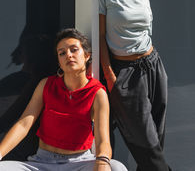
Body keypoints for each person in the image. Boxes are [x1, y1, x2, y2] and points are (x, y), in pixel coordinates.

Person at [0, 28, 127, 171]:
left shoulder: (97, 92)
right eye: (62, 53)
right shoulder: (46, 85)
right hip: (41, 163)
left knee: (117, 167)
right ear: (59, 62)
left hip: (79, 163)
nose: (68, 55)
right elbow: (23, 125)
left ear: (86, 56)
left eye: (74, 50)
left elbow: (103, 138)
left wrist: (102, 161)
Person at [99, 0, 171, 171]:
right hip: (125, 72)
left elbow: (145, 32)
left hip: (152, 65)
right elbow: (100, 36)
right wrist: (109, 74)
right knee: (146, 142)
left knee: (157, 135)